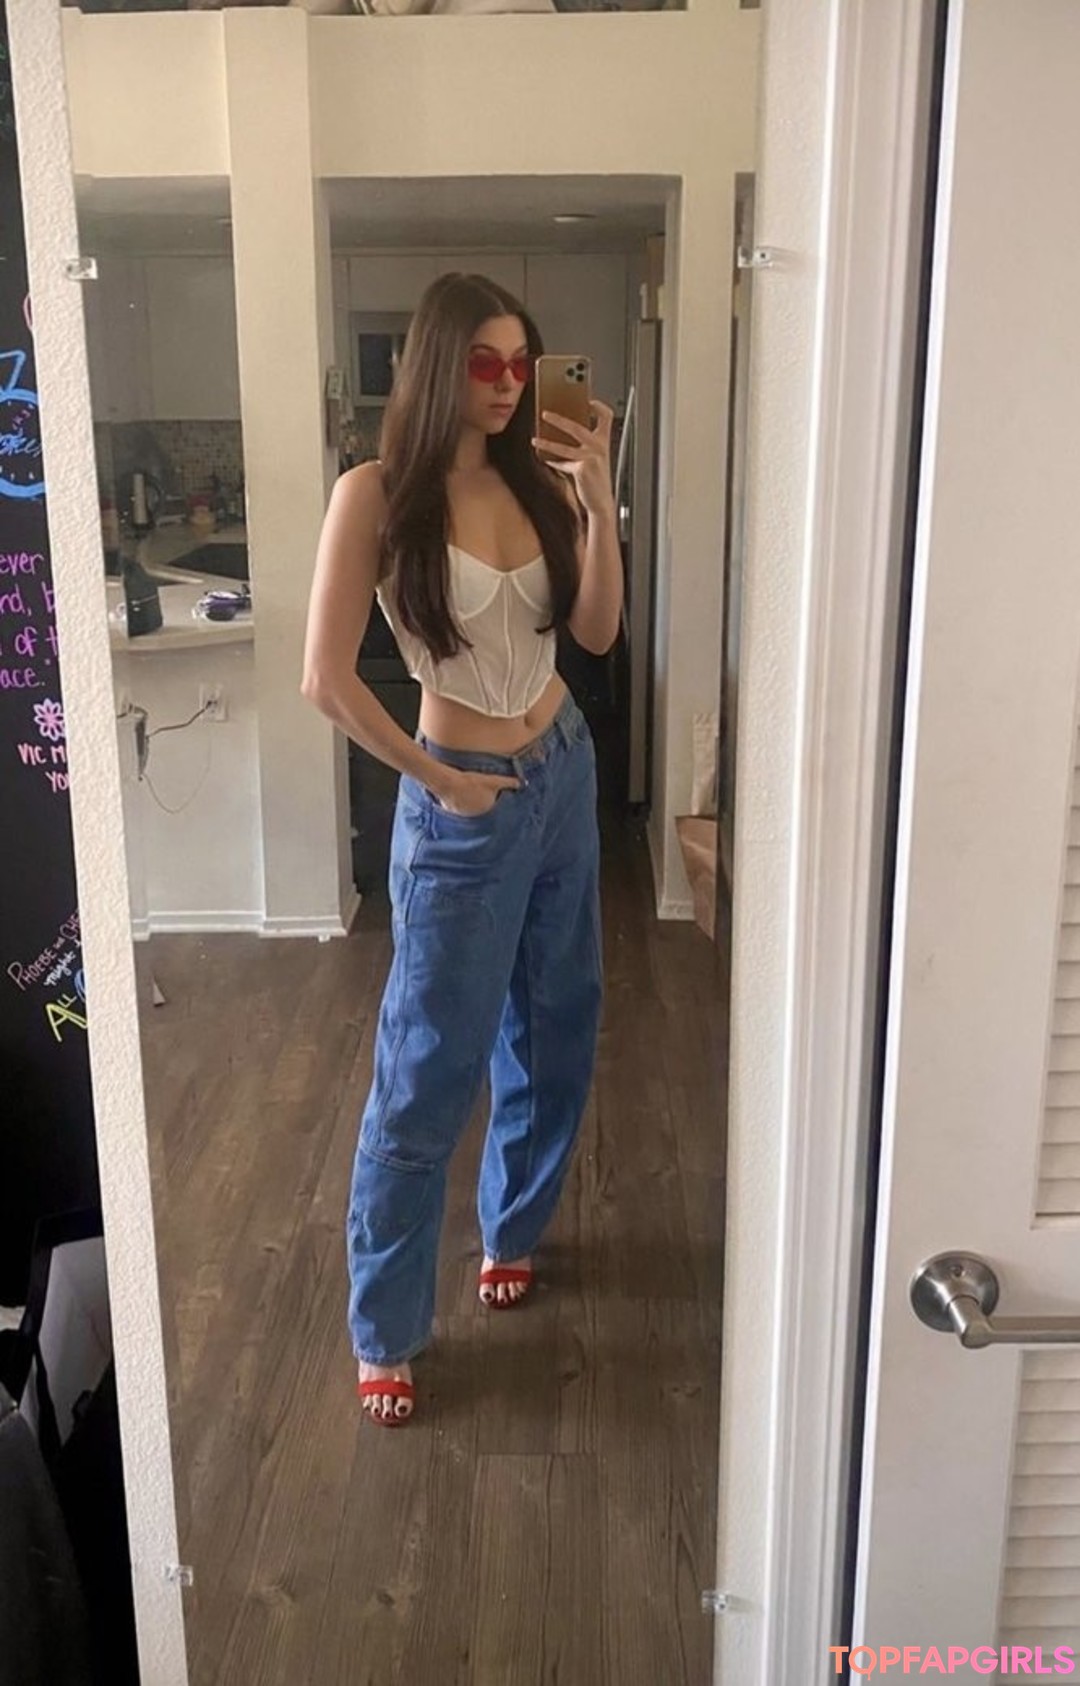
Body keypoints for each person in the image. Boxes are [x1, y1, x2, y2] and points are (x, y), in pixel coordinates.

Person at [302, 272, 622, 1426]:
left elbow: (595, 634)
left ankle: (512, 1228)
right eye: (485, 363)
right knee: (429, 1065)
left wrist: (600, 505)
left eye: (520, 363)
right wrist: (437, 778)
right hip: (462, 802)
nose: (507, 383)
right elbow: (325, 679)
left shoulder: (538, 482)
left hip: (562, 766)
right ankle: (385, 1330)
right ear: (440, 364)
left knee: (558, 1020)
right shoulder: (376, 494)